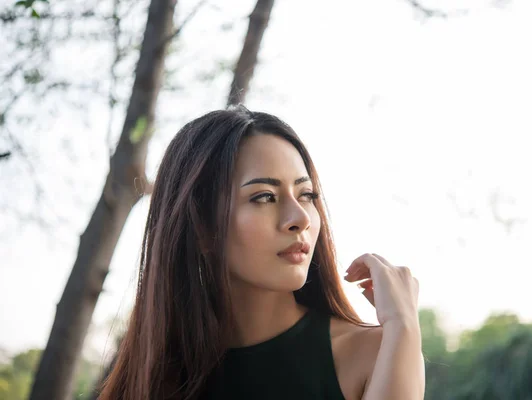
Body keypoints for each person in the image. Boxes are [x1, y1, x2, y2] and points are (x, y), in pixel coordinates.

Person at [98, 106, 425, 400]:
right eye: (265, 197)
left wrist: (404, 325)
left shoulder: (376, 353)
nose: (299, 219)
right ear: (201, 226)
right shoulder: (151, 382)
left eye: (307, 194)